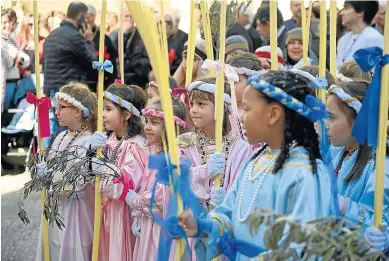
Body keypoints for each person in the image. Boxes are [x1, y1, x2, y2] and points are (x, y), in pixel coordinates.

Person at [178, 71, 335, 261]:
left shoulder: (304, 173)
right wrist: (202, 226)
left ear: (273, 114)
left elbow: (300, 246)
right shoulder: (256, 160)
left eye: (247, 109)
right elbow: (229, 213)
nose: (241, 117)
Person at [35, 82, 98, 261]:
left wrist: (50, 178)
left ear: (77, 111)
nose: (56, 112)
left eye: (62, 108)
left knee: (73, 252)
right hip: (57, 209)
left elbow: (79, 184)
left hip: (76, 215)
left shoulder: (89, 143)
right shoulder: (62, 136)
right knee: (54, 249)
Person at [326, 81, 389, 253]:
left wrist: (382, 238)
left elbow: (381, 222)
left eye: (331, 117)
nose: (325, 123)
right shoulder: (334, 151)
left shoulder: (382, 165)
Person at [92, 84, 148, 261]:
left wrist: (105, 173)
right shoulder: (109, 140)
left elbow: (128, 182)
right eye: (103, 109)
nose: (103, 114)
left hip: (125, 214)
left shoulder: (136, 145)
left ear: (127, 114)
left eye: (109, 109)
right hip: (110, 211)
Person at [129, 98, 188, 261]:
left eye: (154, 122)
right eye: (146, 121)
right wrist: (138, 215)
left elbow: (163, 202)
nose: (147, 127)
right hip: (148, 228)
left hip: (161, 231)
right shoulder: (154, 153)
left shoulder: (176, 159)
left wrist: (138, 202)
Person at [43, 2, 97, 96]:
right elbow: (92, 63)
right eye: (85, 17)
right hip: (69, 93)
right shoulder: (75, 37)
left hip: (51, 91)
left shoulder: (52, 35)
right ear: (80, 16)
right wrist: (89, 41)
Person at [336, 1, 383, 68]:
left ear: (360, 12)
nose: (341, 13)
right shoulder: (343, 39)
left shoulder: (374, 38)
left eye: (346, 8)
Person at [1, 8, 30, 112]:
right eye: (4, 22)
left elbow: (25, 60)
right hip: (4, 83)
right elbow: (8, 63)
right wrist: (14, 59)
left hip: (13, 82)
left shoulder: (11, 41)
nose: (8, 25)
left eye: (10, 22)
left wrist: (17, 58)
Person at [85, 5, 117, 92]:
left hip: (100, 80)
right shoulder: (77, 35)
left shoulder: (103, 38)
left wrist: (111, 80)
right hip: (82, 79)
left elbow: (111, 59)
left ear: (92, 17)